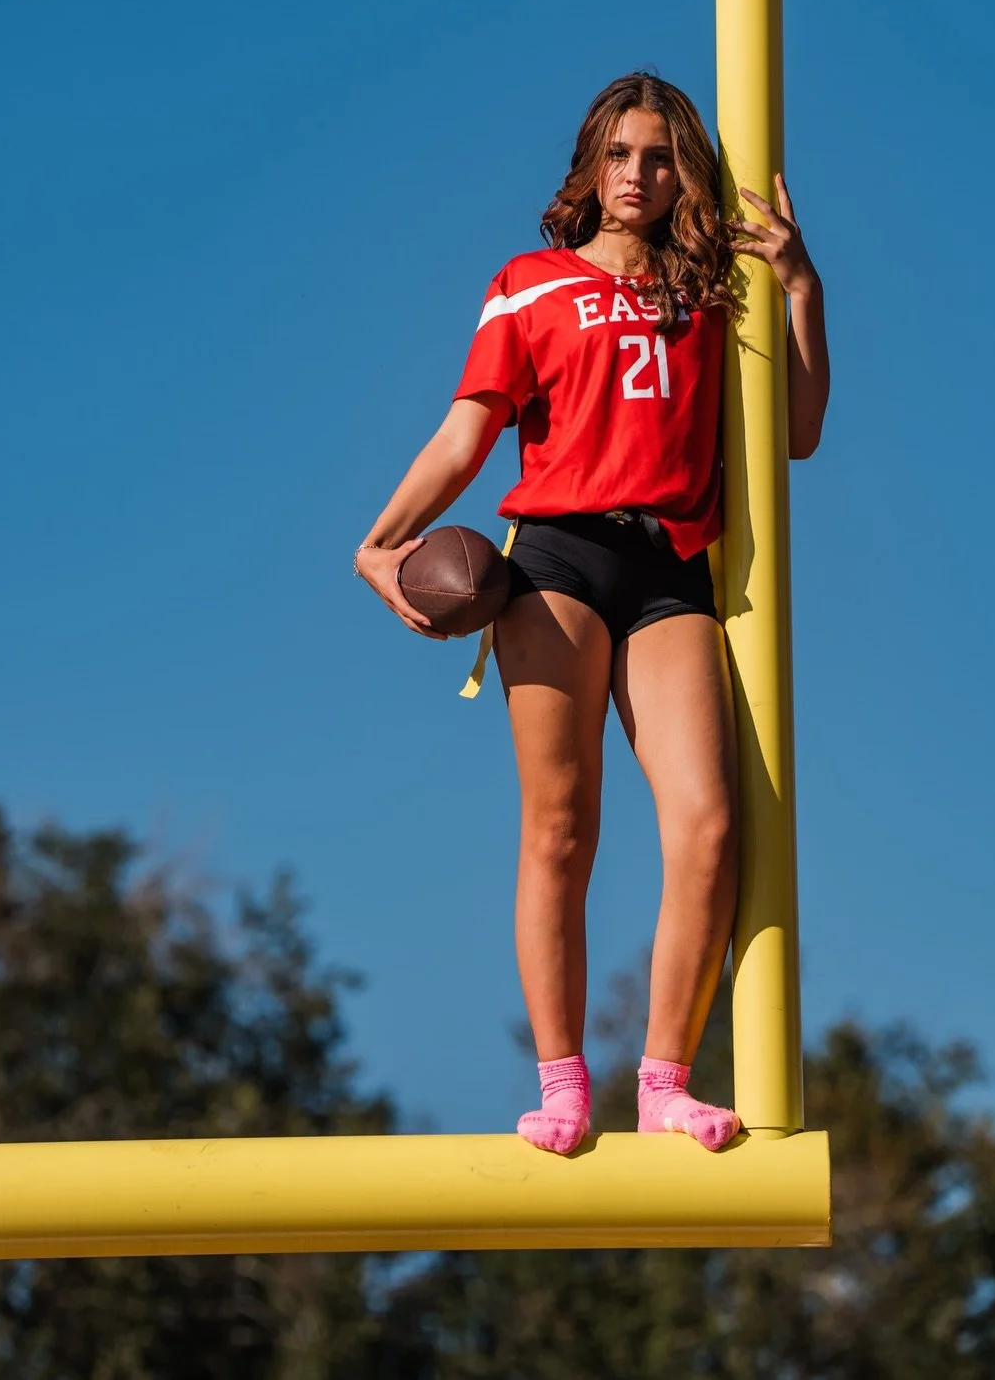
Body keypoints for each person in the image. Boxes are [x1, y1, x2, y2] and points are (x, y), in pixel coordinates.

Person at [354, 71, 829, 1153]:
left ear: (683, 173)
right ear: (588, 165)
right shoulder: (529, 284)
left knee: (710, 826)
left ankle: (664, 1079)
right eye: (619, 153)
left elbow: (796, 433)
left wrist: (801, 289)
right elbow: (466, 432)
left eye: (660, 156)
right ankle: (562, 1080)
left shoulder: (716, 289)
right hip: (556, 559)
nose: (638, 174)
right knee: (562, 829)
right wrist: (379, 540)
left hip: (668, 566)